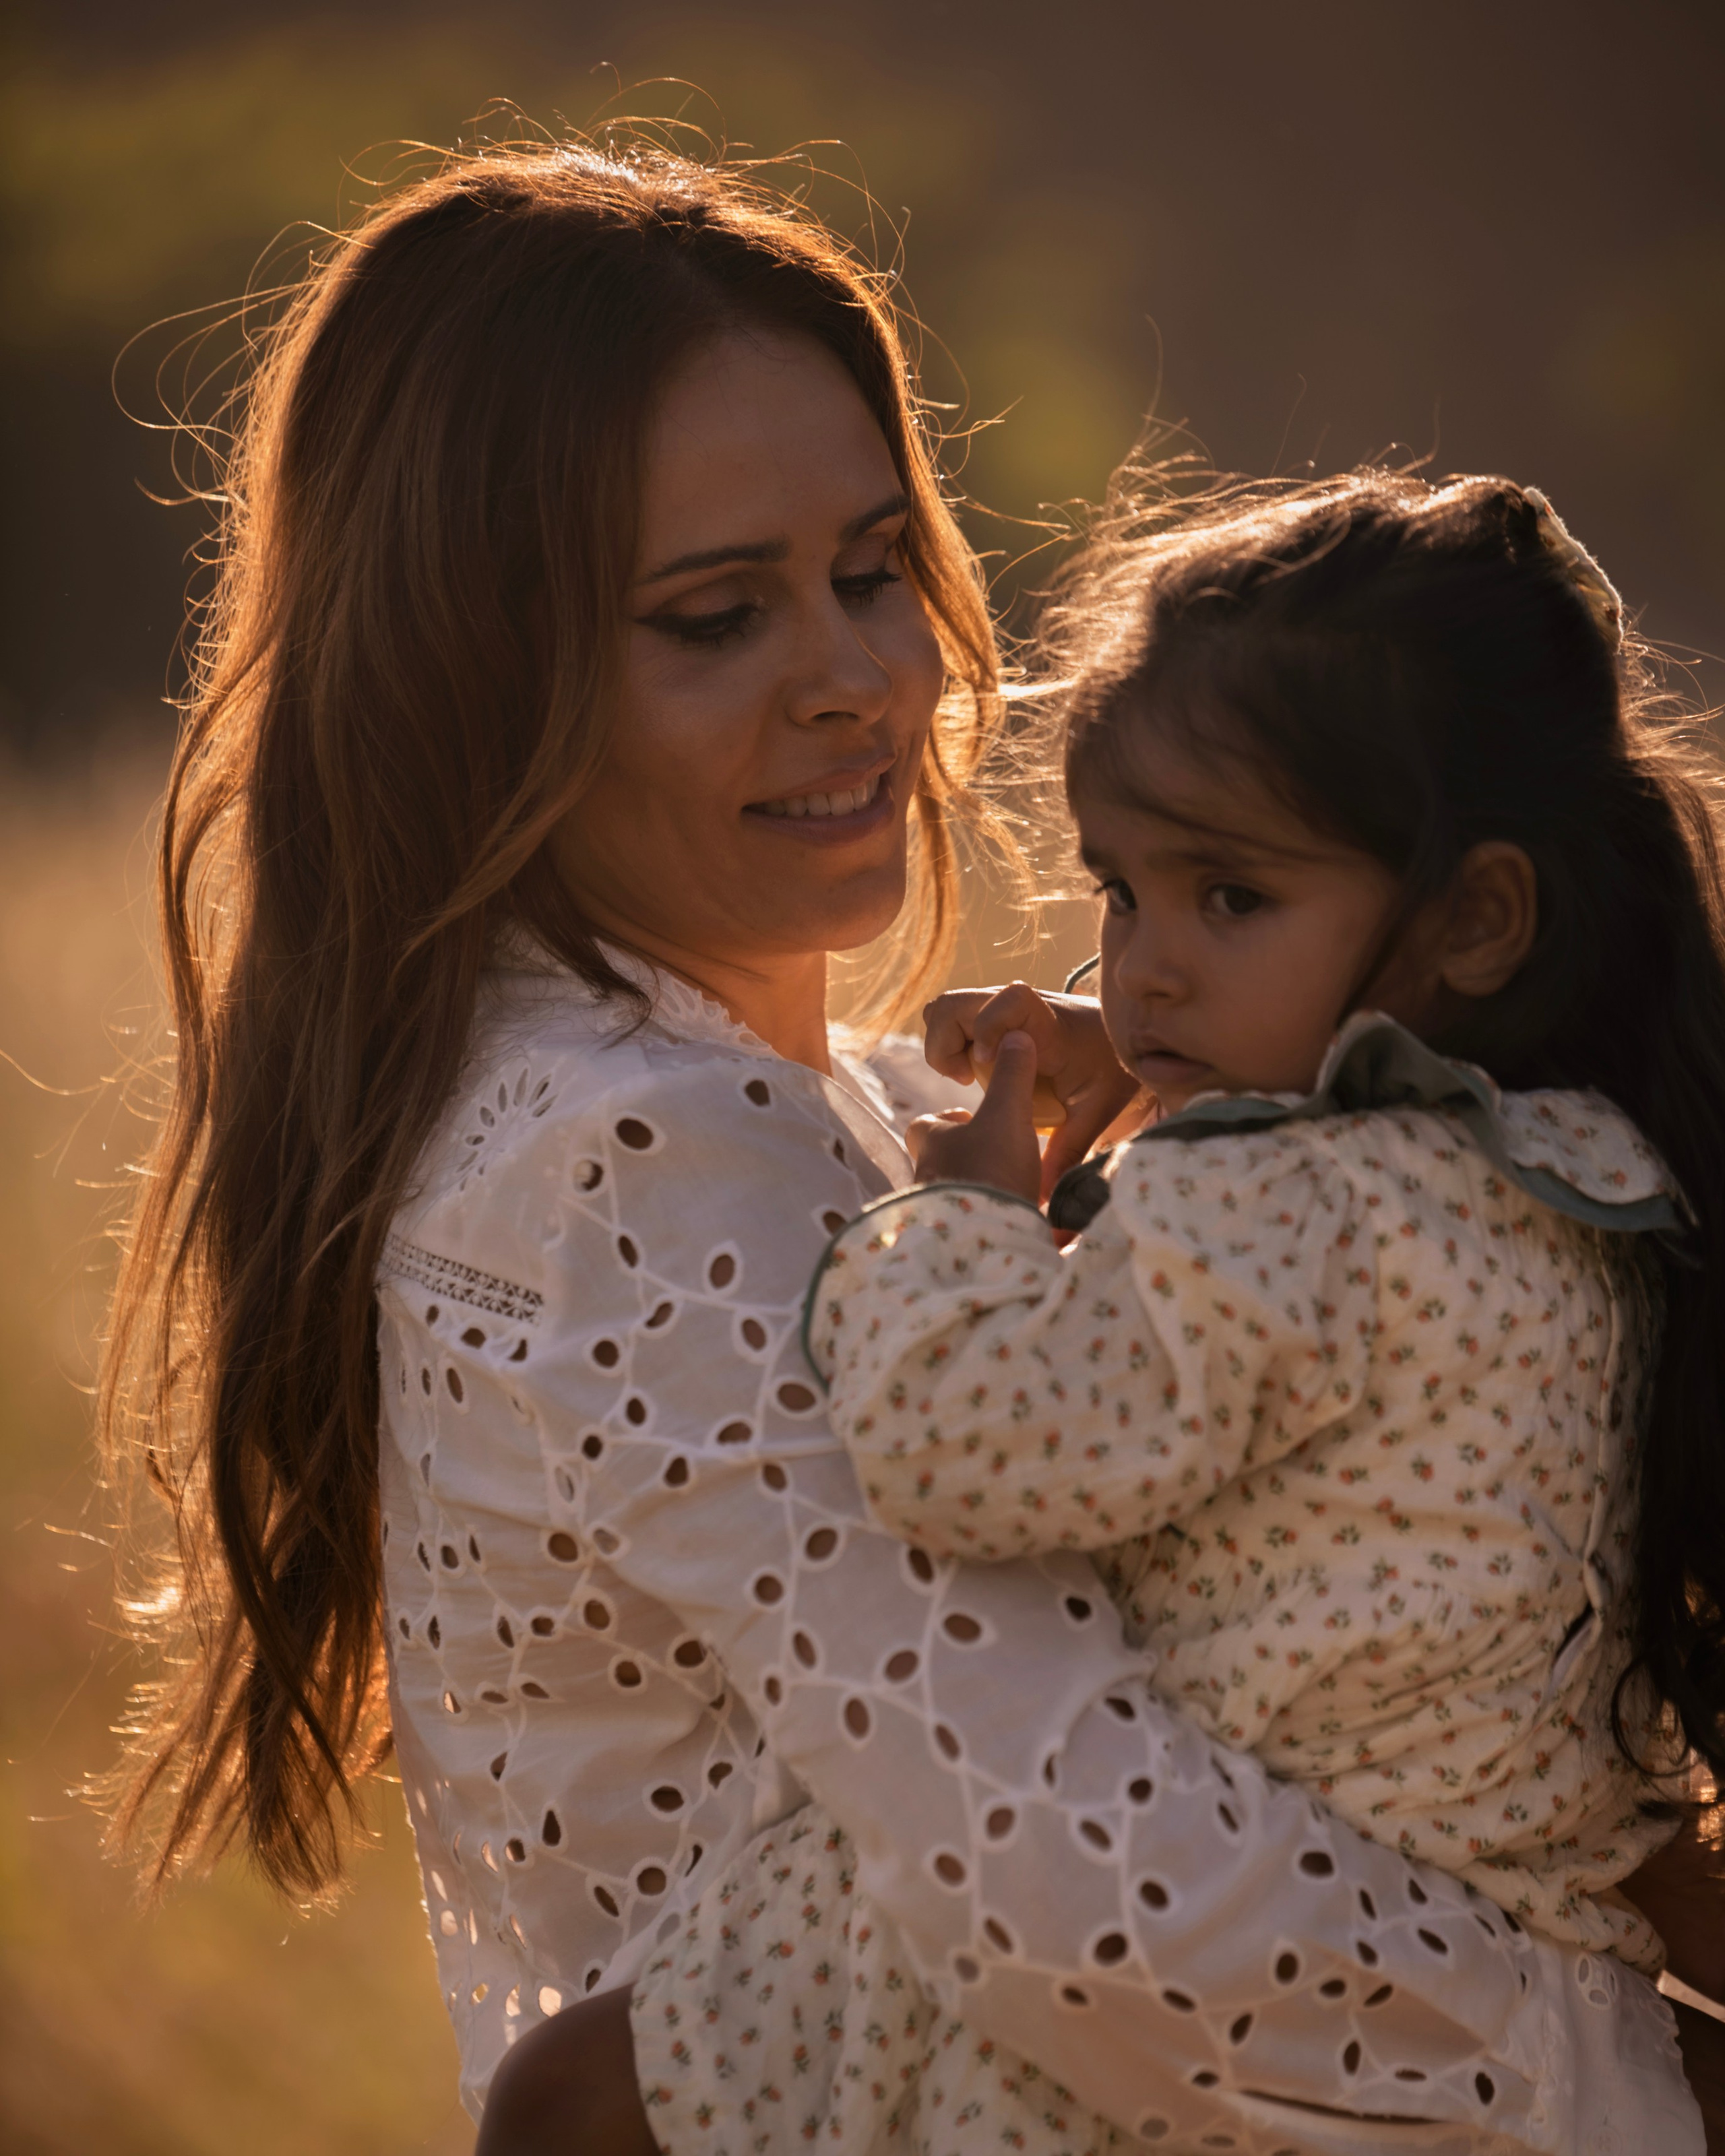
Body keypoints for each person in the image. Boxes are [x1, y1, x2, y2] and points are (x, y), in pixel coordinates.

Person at [94, 132, 1716, 2155]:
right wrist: (1636, 2070)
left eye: (871, 571)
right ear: (473, 681)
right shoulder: (633, 1159)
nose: (858, 677)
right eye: (716, 617)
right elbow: (1112, 1898)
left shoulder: (837, 1111)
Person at [805, 472, 1725, 1981]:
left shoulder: (1264, 1205)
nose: (1147, 967)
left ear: (1478, 920)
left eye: (1227, 898)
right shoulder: (1587, 1160)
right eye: (1122, 893)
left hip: (1252, 1941)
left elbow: (958, 1448)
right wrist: (1154, 1051)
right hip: (1511, 1941)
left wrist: (955, 1217)